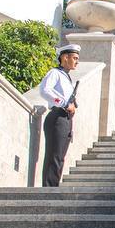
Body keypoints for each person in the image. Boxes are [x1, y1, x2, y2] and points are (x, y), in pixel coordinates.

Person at [37, 43, 79, 187]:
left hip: (65, 119)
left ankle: (53, 186)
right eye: (74, 58)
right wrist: (64, 104)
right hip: (57, 117)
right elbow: (44, 90)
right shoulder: (55, 73)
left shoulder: (66, 77)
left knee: (60, 156)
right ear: (65, 57)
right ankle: (49, 188)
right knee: (54, 155)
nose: (77, 62)